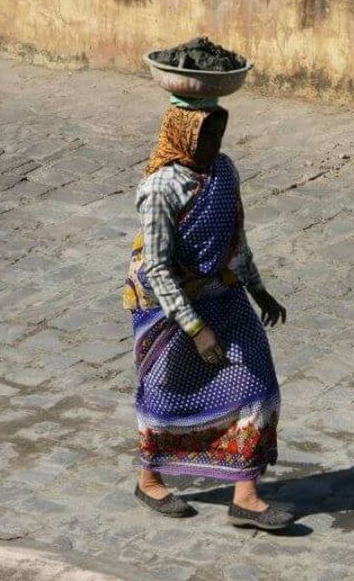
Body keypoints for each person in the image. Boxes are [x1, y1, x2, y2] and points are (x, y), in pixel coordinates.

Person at [122, 104, 292, 529]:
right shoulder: (161, 189)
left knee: (258, 383)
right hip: (166, 304)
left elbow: (237, 236)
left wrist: (258, 289)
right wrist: (196, 329)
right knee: (166, 390)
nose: (214, 147)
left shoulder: (224, 171)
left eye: (218, 137)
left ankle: (246, 495)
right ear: (182, 138)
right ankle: (149, 479)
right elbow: (158, 269)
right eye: (206, 139)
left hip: (222, 289)